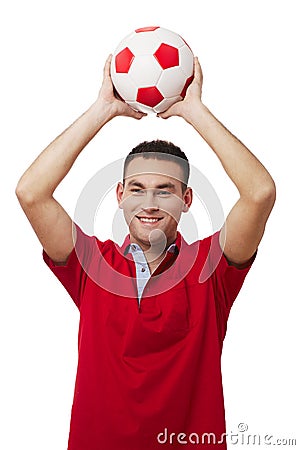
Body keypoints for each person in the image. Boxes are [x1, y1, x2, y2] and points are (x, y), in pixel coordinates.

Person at [15, 55, 276, 450]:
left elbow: (260, 193)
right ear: (120, 196)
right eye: (137, 188)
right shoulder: (93, 264)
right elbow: (30, 192)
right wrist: (103, 109)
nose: (149, 203)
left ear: (187, 200)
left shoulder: (211, 269)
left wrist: (195, 112)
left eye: (165, 190)